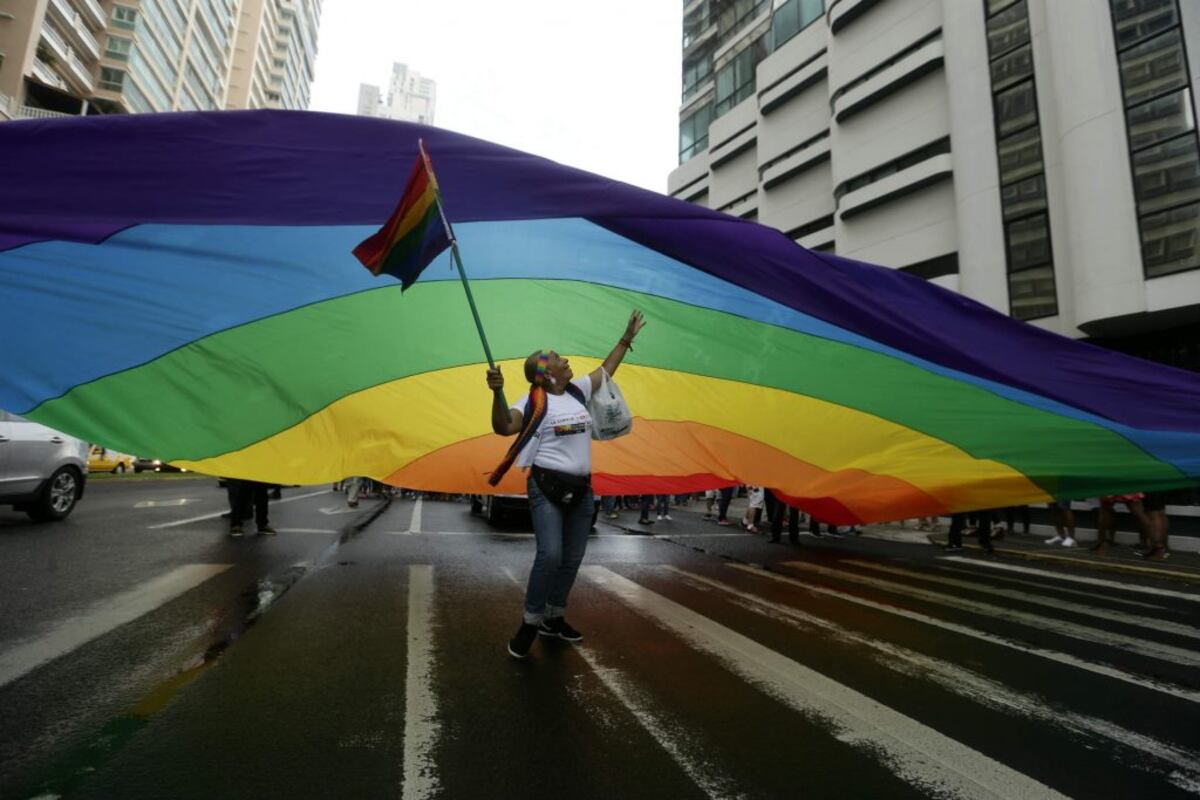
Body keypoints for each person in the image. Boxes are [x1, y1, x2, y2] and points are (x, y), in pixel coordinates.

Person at [487, 310, 645, 659]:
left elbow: (606, 371)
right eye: (558, 359)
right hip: (546, 489)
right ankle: (530, 622)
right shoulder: (530, 401)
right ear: (545, 373)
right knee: (551, 554)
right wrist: (497, 393)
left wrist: (626, 338)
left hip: (582, 491)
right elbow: (504, 426)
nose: (565, 360)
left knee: (573, 557)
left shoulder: (575, 391)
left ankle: (554, 617)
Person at [1137, 491, 1171, 560]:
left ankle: (1158, 549)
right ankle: (1163, 546)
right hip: (1161, 485)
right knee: (1161, 512)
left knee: (1154, 514)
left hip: (1151, 486)